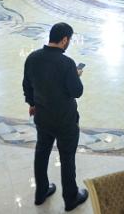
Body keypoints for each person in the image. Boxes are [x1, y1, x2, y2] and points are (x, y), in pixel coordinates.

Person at [22, 23, 88, 211]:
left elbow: (27, 85)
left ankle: (41, 192)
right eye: (70, 40)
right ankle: (71, 198)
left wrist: (32, 104)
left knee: (42, 152)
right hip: (65, 120)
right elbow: (77, 92)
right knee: (67, 157)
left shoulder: (33, 58)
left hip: (42, 117)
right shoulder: (66, 63)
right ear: (65, 39)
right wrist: (76, 75)